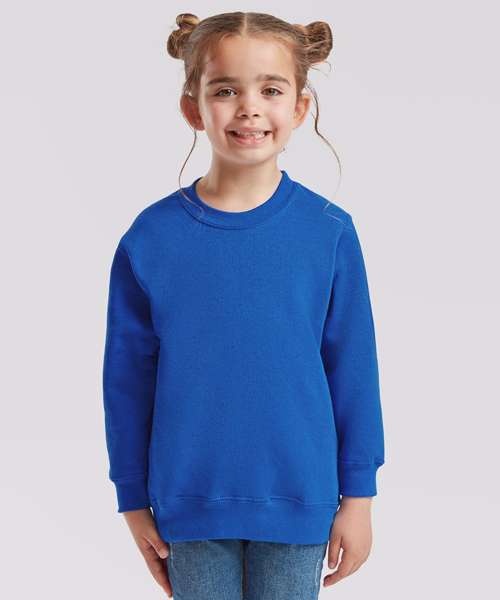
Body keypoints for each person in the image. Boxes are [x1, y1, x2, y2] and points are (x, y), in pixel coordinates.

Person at [102, 10, 385, 600]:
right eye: (226, 90)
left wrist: (358, 497)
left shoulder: (328, 232)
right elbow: (127, 380)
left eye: (271, 90)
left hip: (300, 497)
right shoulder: (151, 238)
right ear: (193, 108)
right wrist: (131, 498)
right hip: (188, 501)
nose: (249, 108)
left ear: (300, 107)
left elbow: (353, 371)